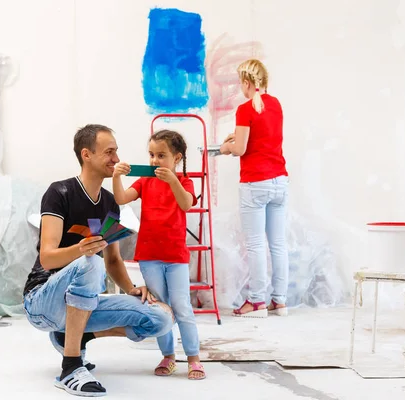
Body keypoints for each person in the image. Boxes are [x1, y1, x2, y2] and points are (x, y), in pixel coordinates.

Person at [23, 124, 175, 397]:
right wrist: (82, 250)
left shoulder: (109, 202)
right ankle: (70, 366)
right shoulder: (60, 193)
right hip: (42, 301)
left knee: (160, 317)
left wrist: (132, 290)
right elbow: (47, 257)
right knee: (91, 262)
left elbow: (114, 260)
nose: (116, 159)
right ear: (87, 155)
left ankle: (74, 336)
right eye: (109, 152)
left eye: (116, 152)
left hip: (80, 302)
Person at [112, 129, 206, 380]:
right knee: (161, 308)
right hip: (150, 256)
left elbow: (186, 204)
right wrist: (116, 177)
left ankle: (194, 358)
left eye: (161, 155)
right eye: (151, 155)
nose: (154, 161)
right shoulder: (145, 181)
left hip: (175, 257)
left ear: (176, 158)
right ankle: (168, 355)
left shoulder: (184, 182)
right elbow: (121, 198)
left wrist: (173, 180)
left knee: (182, 306)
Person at [219, 59, 290, 318]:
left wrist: (226, 146)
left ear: (247, 83)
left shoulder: (245, 108)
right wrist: (236, 139)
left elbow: (241, 149)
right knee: (278, 244)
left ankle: (257, 302)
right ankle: (279, 301)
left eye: (241, 83)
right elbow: (262, 139)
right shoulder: (276, 105)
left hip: (255, 183)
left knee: (256, 244)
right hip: (279, 180)